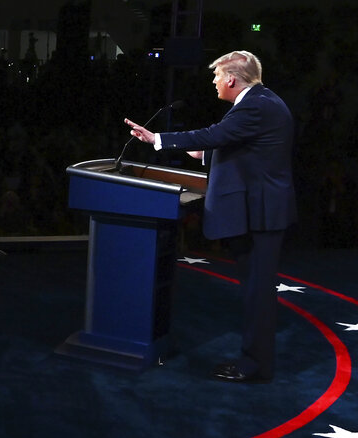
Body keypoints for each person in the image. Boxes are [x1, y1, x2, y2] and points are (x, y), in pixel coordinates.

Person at [124, 50, 296, 383]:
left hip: (261, 214)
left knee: (258, 293)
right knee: (255, 291)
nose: (214, 82)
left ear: (232, 78)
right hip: (261, 211)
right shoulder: (262, 101)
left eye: (216, 76)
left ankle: (255, 365)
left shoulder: (255, 105)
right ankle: (255, 361)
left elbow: (215, 134)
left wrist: (158, 139)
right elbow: (237, 144)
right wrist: (205, 150)